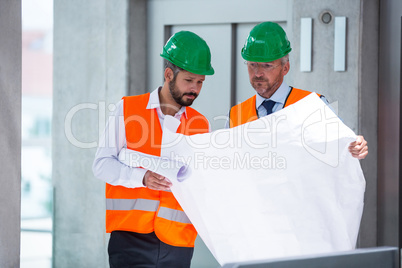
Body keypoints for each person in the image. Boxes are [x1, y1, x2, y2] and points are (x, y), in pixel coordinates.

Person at [92, 31, 214, 267]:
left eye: (200, 82)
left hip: (178, 242)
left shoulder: (201, 124)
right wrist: (141, 177)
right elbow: (102, 165)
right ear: (169, 74)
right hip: (130, 239)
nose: (195, 89)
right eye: (189, 81)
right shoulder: (127, 109)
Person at [228, 21, 368, 159]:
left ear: (285, 68)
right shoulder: (236, 115)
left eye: (267, 65)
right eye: (252, 65)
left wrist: (355, 145)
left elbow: (341, 143)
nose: (258, 73)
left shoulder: (312, 105)